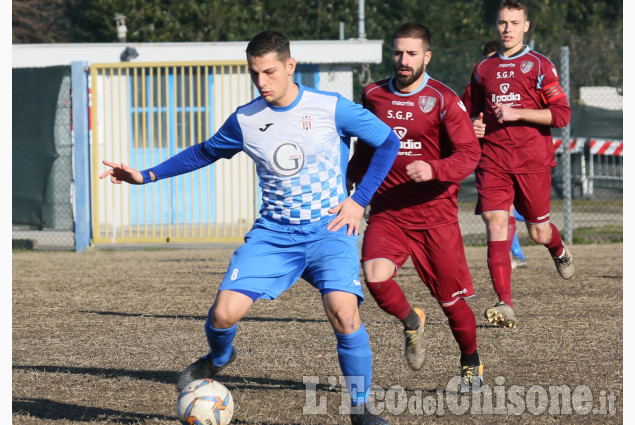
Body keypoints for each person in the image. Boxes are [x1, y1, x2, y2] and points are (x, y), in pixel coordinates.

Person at [100, 30, 399, 425]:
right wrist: (146, 175)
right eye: (254, 73)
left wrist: (358, 202)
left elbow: (388, 142)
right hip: (274, 234)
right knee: (223, 314)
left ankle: (360, 409)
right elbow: (204, 152)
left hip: (329, 230)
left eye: (270, 72)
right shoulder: (245, 119)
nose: (262, 82)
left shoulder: (331, 107)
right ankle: (220, 358)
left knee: (344, 313)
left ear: (290, 67)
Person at [347, 23, 483, 394]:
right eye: (397, 53)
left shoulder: (443, 98)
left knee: (451, 303)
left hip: (435, 216)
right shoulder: (373, 94)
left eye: (411, 54)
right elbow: (365, 148)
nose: (403, 61)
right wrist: (351, 185)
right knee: (374, 276)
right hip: (389, 211)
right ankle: (411, 319)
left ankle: (471, 363)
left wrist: (434, 168)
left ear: (427, 57)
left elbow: (470, 153)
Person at [467, 0, 574, 329]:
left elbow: (561, 114)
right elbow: (468, 112)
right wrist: (474, 123)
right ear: (496, 26)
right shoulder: (483, 69)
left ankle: (558, 249)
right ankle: (504, 303)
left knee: (538, 232)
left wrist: (518, 114)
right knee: (496, 223)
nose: (507, 29)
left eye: (514, 23)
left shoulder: (540, 66)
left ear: (526, 26)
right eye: (502, 23)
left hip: (532, 161)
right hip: (493, 160)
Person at [462, 40, 528, 270]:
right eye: (493, 59)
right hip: (488, 156)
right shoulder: (474, 88)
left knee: (510, 210)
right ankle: (512, 254)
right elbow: (464, 119)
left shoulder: (518, 82)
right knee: (498, 211)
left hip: (518, 155)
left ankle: (514, 251)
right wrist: (472, 126)